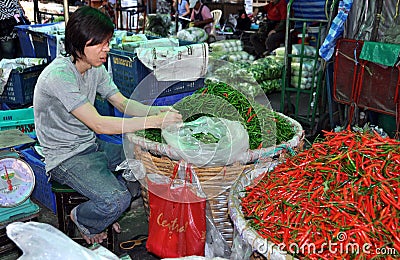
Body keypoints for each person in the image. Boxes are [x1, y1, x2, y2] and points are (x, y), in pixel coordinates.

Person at [33, 6, 183, 245]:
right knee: (116, 200)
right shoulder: (59, 76)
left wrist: (158, 111)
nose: (108, 49)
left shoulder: (95, 68)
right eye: (101, 43)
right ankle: (84, 217)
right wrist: (154, 122)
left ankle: (102, 212)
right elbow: (99, 124)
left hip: (90, 146)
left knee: (144, 166)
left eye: (108, 42)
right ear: (80, 43)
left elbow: (122, 103)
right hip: (65, 158)